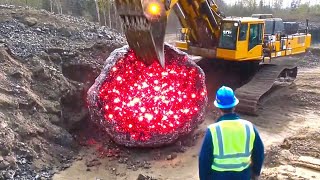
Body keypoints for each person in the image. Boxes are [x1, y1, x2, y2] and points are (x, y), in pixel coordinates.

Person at [198, 86, 264, 180]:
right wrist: (256, 173)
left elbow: (204, 159)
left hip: (218, 177)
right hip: (243, 176)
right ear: (234, 105)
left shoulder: (213, 130)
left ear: (218, 107)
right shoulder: (249, 127)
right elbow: (259, 152)